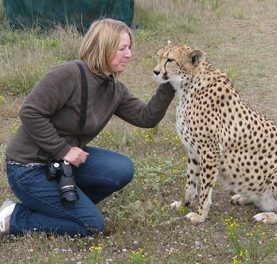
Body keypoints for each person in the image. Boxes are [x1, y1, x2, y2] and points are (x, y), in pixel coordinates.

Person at [0, 18, 175, 236]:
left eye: (129, 47)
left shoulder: (114, 89)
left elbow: (146, 117)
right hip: (28, 168)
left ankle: (67, 209)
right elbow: (30, 112)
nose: (129, 54)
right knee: (91, 225)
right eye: (122, 48)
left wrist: (171, 82)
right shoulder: (68, 74)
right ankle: (12, 217)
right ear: (103, 48)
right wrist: (63, 150)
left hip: (60, 165)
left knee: (122, 169)